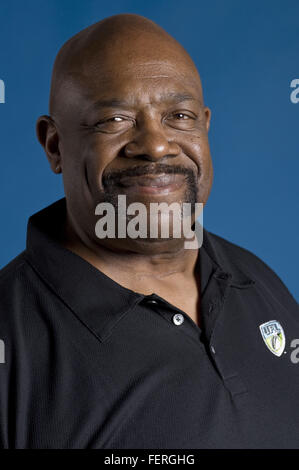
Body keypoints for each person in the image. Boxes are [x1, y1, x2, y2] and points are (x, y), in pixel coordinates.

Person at [0, 13, 298, 449]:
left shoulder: (256, 280)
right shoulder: (14, 344)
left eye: (179, 116)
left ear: (205, 126)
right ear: (55, 145)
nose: (156, 145)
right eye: (114, 120)